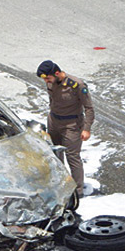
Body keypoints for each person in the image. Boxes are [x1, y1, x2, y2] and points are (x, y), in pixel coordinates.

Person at [37, 60, 94, 198]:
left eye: (48, 78)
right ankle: (61, 184)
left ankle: (78, 191)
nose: (46, 82)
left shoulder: (77, 85)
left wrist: (86, 128)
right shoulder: (51, 81)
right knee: (55, 154)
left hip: (72, 125)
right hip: (54, 121)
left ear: (57, 73)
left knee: (72, 157)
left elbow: (89, 108)